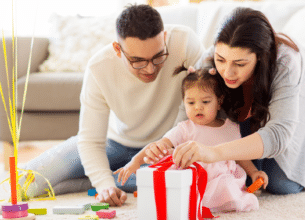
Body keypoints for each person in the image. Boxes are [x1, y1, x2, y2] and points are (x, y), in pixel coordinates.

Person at [19, 4, 204, 206]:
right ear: (118, 49)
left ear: (165, 37)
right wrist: (104, 185)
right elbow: (91, 140)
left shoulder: (185, 42)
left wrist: (169, 144)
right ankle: (110, 178)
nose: (150, 69)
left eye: (158, 56)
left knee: (185, 179)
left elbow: (202, 103)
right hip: (114, 143)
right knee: (26, 183)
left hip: (165, 147)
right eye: (138, 61)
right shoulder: (99, 67)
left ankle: (87, 182)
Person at [171, 7, 305, 195]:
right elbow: (186, 112)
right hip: (251, 105)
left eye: (240, 64)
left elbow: (278, 135)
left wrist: (214, 152)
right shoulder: (212, 58)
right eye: (221, 60)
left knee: (278, 183)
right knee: (237, 169)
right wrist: (175, 149)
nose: (228, 72)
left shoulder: (286, 63)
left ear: (260, 57)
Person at [114, 64, 269, 212]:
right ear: (184, 103)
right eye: (191, 102)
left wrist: (254, 172)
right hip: (191, 180)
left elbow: (240, 156)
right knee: (155, 181)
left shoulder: (230, 128)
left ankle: (220, 201)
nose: (198, 107)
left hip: (222, 180)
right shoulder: (184, 128)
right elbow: (157, 146)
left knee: (231, 189)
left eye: (206, 101)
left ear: (219, 102)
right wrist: (135, 161)